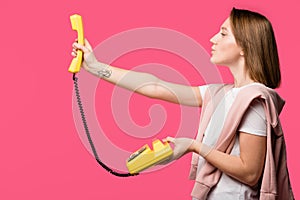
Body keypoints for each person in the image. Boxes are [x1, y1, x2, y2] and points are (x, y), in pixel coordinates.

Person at [71, 7, 294, 200]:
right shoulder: (221, 94)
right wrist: (95, 67)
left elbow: (250, 172)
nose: (213, 39)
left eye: (223, 34)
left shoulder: (253, 100)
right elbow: (155, 87)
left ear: (245, 46)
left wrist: (193, 146)